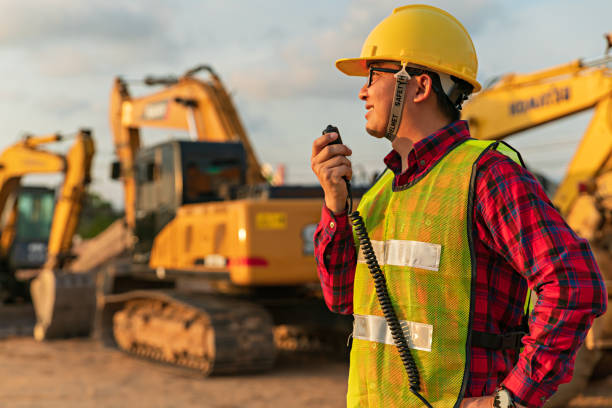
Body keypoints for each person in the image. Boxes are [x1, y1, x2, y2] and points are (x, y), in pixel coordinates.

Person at [310, 5, 607, 408]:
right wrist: (335, 208)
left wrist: (510, 400)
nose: (362, 91)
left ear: (419, 87)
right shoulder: (381, 191)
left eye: (373, 75)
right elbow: (342, 299)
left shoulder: (487, 175)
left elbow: (575, 287)